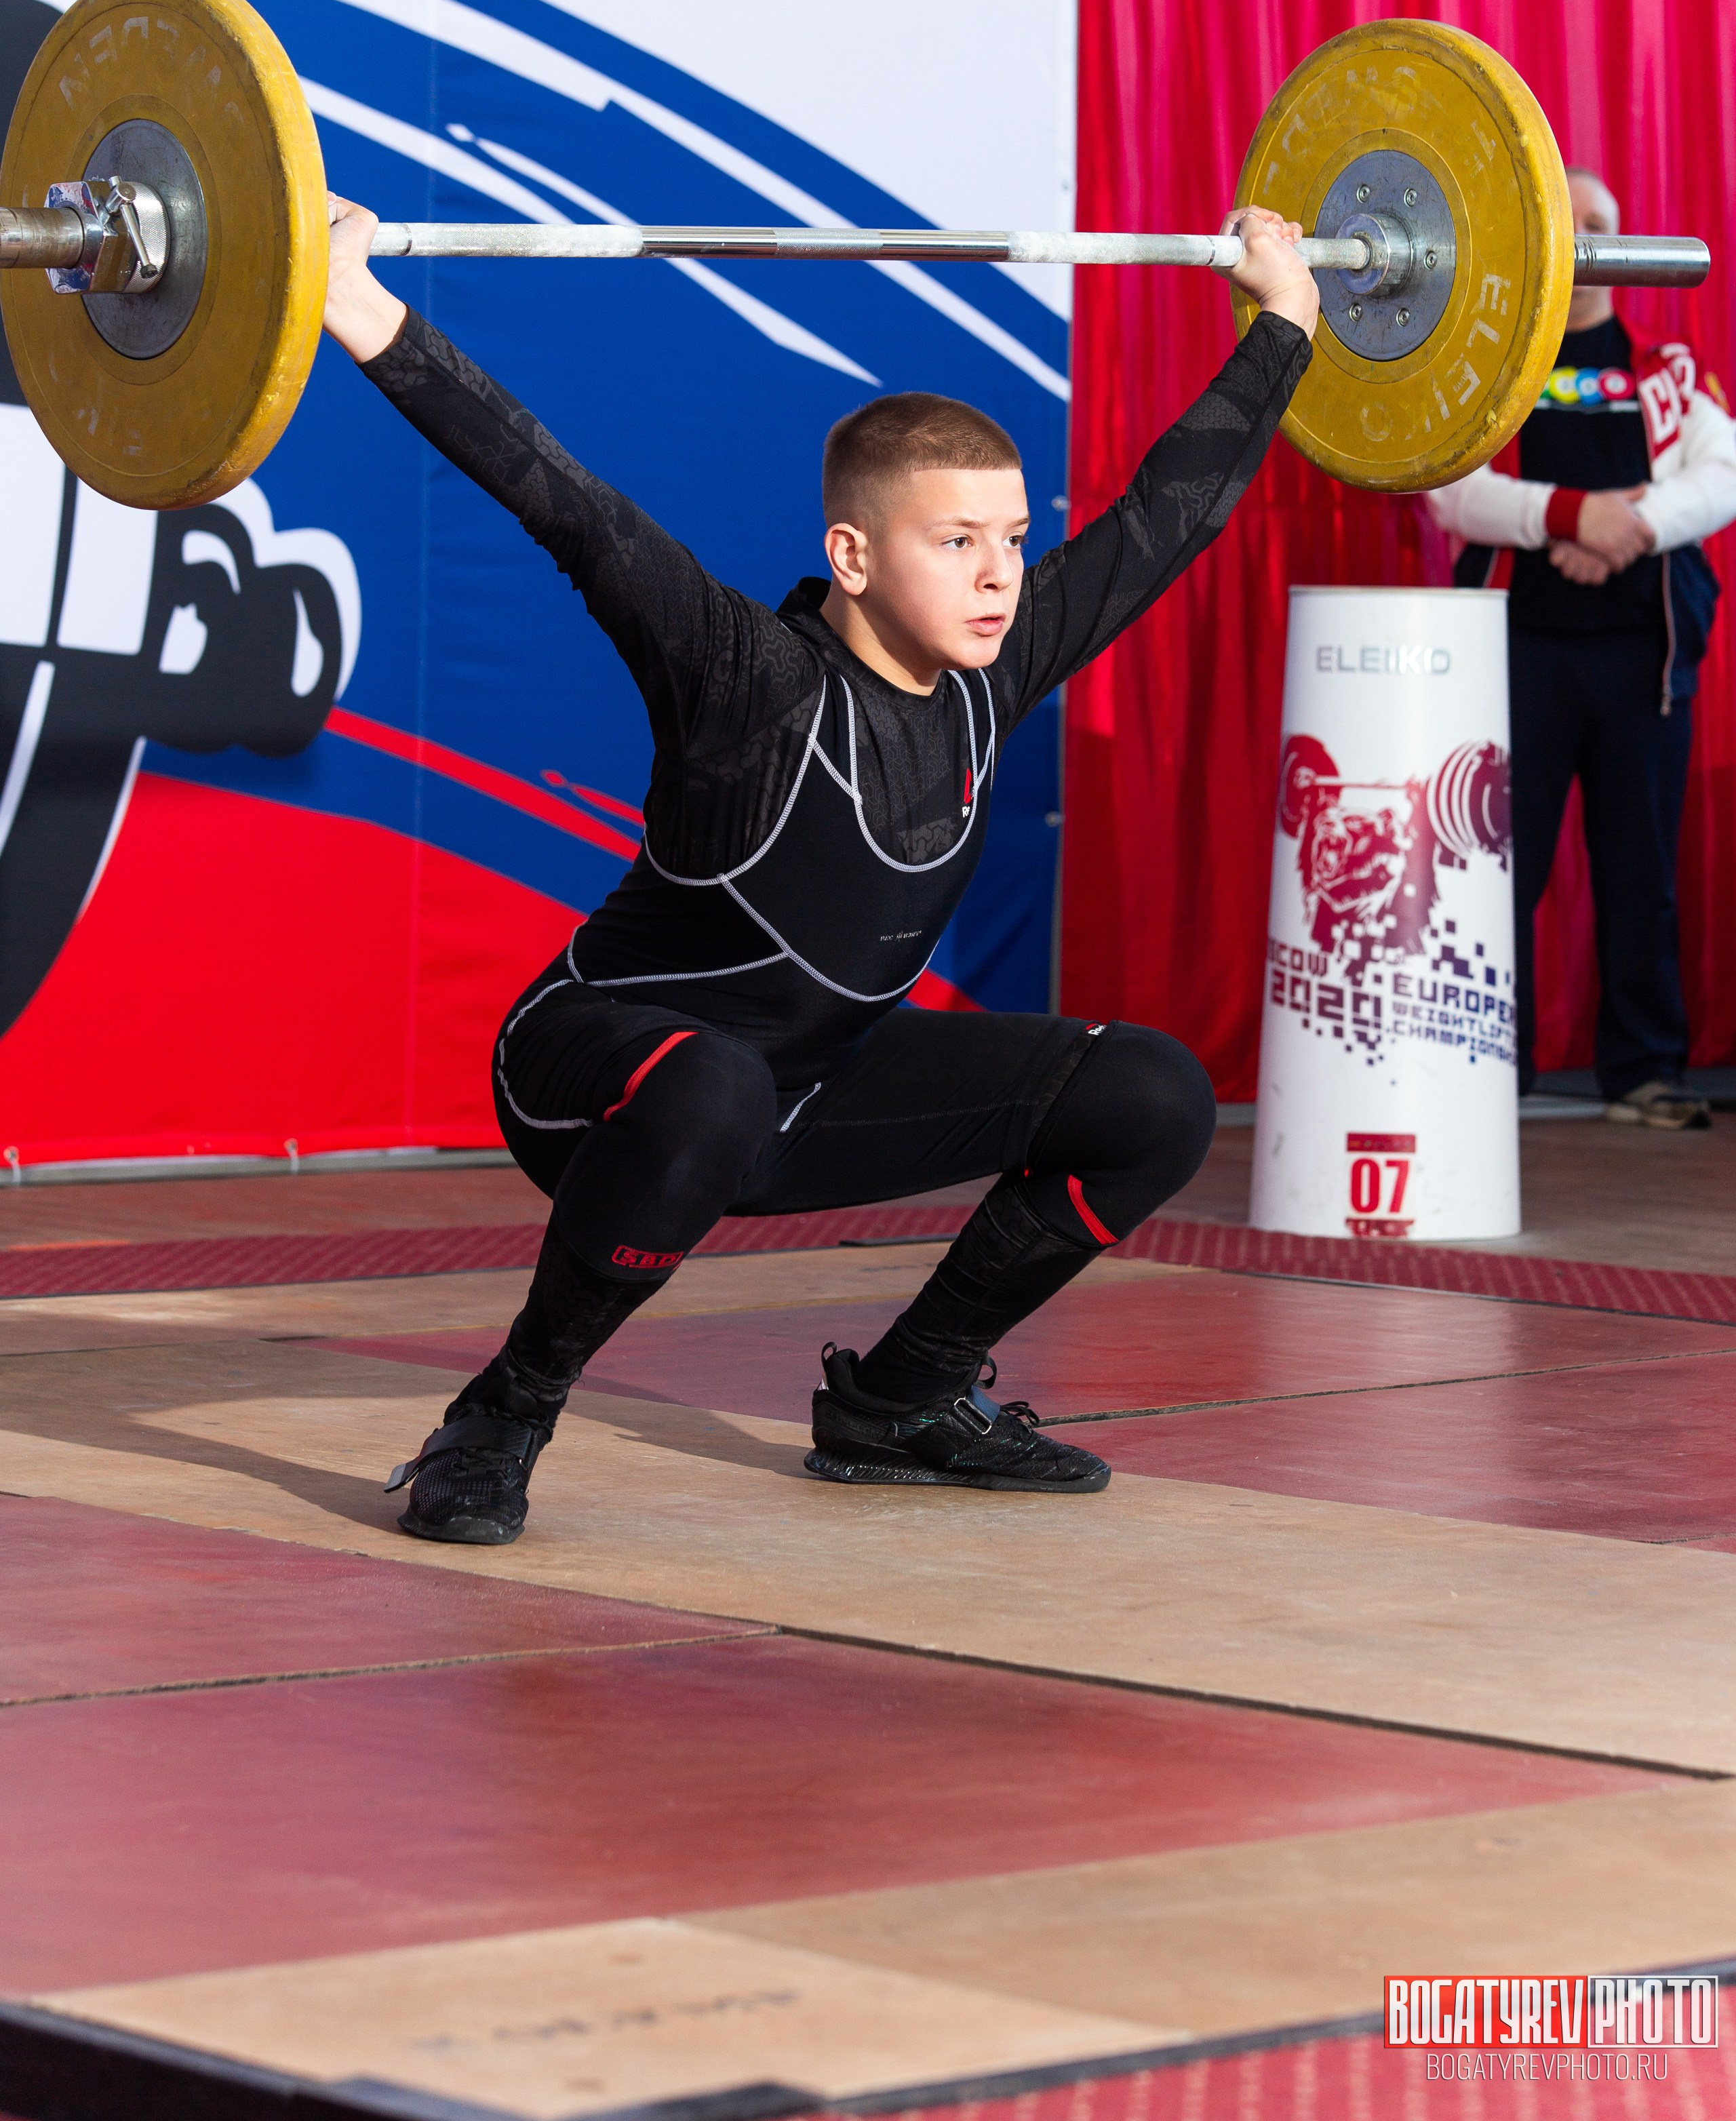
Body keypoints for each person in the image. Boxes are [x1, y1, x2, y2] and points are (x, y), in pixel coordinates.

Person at [321, 194, 1318, 1545]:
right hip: (594, 1080)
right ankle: (502, 1413)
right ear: (850, 555)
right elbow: (557, 496)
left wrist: (1285, 320)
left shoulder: (995, 669)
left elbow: (1164, 518)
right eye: (955, 542)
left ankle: (901, 1401)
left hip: (809, 1086)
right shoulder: (747, 680)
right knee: (712, 1083)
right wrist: (353, 305)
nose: (1000, 577)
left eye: (1013, 539)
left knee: (1150, 1096)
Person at [1427, 170, 1736, 1128]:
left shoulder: (1667, 369)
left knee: (1640, 873)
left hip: (1643, 665)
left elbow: (1723, 478)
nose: (1586, 239)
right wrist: (1571, 514)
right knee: (1492, 871)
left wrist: (1621, 530)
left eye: (1600, 224)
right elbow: (1449, 489)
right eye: (1567, 222)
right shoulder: (1492, 360)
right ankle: (1488, 1071)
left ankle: (1646, 1071)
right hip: (1513, 660)